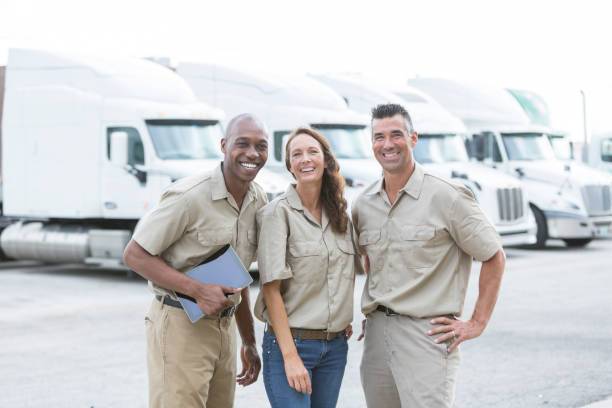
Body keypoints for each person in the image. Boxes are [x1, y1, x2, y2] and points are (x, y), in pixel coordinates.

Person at [352, 104, 506, 408]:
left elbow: (494, 255)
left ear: (413, 138)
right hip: (377, 337)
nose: (387, 144)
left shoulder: (447, 195)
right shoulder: (363, 204)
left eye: (396, 135)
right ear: (372, 144)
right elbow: (370, 260)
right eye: (379, 137)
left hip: (426, 335)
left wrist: (477, 322)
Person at [123, 113, 268, 408]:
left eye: (261, 146)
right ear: (224, 145)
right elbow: (135, 255)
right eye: (243, 144)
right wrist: (198, 290)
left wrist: (249, 341)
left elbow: (238, 275)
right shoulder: (189, 196)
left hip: (225, 329)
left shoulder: (258, 199)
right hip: (180, 325)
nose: (252, 153)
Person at [253, 127, 362, 408]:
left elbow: (345, 274)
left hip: (335, 348)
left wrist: (338, 316)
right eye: (296, 154)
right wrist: (290, 357)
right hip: (292, 345)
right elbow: (270, 289)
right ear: (290, 166)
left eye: (312, 152)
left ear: (325, 160)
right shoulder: (277, 214)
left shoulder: (340, 216)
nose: (305, 159)